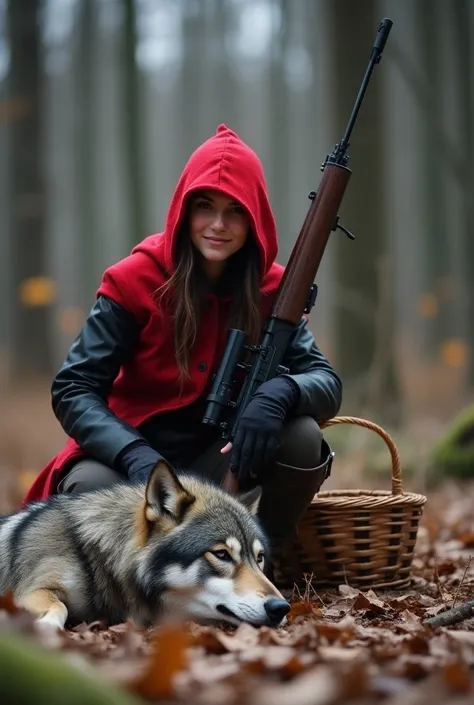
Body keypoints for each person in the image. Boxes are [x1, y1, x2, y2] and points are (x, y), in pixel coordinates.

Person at [24, 124, 342, 586]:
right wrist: (134, 454)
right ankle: (121, 590)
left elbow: (325, 380)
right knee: (88, 489)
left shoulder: (276, 289)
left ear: (255, 220)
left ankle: (253, 570)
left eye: (235, 211)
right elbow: (74, 389)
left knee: (301, 437)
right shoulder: (133, 278)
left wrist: (278, 394)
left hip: (221, 456)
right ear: (184, 210)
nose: (218, 224)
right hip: (125, 459)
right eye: (205, 207)